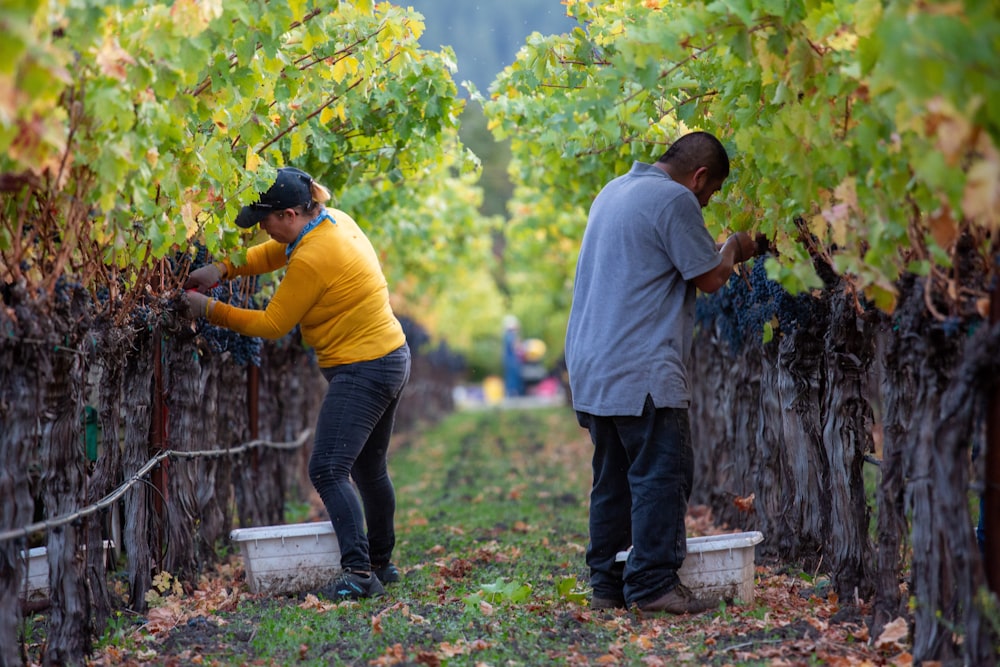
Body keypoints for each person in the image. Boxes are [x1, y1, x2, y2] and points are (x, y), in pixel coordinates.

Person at [183, 167, 410, 601]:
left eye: (266, 219)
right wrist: (224, 268)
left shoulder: (313, 257)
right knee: (368, 468)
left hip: (364, 367)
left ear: (289, 214)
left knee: (326, 469)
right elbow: (274, 253)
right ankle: (381, 563)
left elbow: (273, 323)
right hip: (389, 356)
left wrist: (205, 309)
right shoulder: (333, 221)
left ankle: (360, 573)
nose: (262, 227)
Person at [564, 132, 760, 614]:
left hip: (594, 365)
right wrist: (736, 245)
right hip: (642, 367)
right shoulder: (673, 198)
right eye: (711, 193)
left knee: (612, 480)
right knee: (662, 474)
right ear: (699, 178)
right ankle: (653, 584)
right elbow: (711, 277)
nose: (707, 202)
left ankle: (607, 586)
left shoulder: (614, 191)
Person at [502, 315, 525, 398]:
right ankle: (513, 393)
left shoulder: (507, 335)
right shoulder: (510, 335)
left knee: (511, 376)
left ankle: (512, 392)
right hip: (512, 360)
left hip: (510, 360)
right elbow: (515, 346)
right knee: (513, 377)